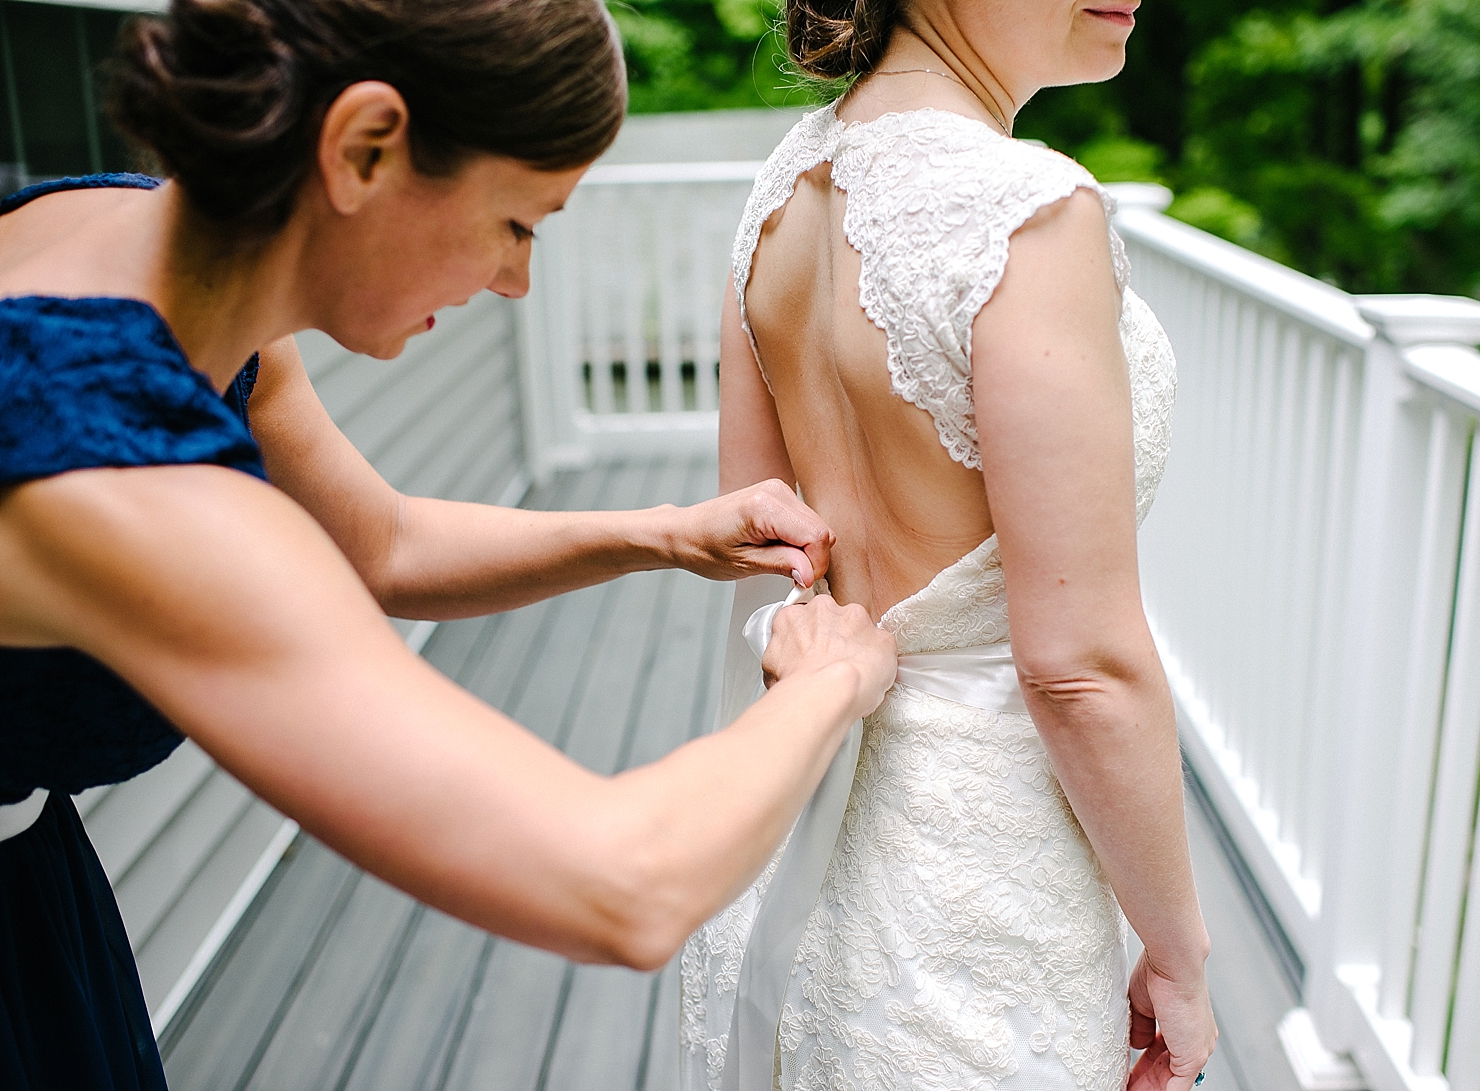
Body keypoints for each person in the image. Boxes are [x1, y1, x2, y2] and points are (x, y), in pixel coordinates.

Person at [0, 1, 900, 1088]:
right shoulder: (103, 464)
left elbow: (377, 542)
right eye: (518, 223)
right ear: (365, 146)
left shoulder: (140, 248)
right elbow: (622, 881)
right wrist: (827, 679)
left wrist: (659, 532)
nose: (517, 281)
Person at [679, 0, 1217, 1086]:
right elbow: (1078, 667)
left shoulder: (783, 186)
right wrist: (1177, 955)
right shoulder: (1029, 213)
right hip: (982, 892)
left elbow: (763, 536)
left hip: (803, 819)